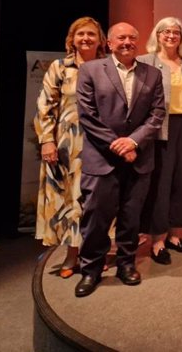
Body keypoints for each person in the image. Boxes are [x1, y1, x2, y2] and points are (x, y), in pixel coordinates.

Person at [74, 22, 165, 297]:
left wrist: (134, 141)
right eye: (121, 38)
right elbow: (87, 115)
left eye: (132, 38)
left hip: (138, 158)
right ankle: (90, 270)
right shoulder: (90, 70)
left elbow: (157, 114)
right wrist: (119, 146)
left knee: (131, 218)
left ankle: (126, 265)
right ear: (110, 43)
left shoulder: (152, 74)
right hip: (102, 159)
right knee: (96, 219)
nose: (127, 42)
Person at [34, 17, 106, 278]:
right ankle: (72, 253)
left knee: (97, 200)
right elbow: (45, 105)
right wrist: (47, 140)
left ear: (100, 40)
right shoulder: (59, 67)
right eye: (80, 34)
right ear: (72, 39)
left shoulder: (106, 67)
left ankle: (96, 252)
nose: (86, 38)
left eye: (91, 34)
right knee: (70, 199)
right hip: (67, 144)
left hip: (100, 143)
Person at [137, 17, 182, 264]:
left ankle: (176, 235)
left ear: (181, 37)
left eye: (176, 32)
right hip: (159, 130)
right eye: (165, 31)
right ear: (157, 35)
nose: (171, 35)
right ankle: (158, 239)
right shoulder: (146, 62)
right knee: (161, 185)